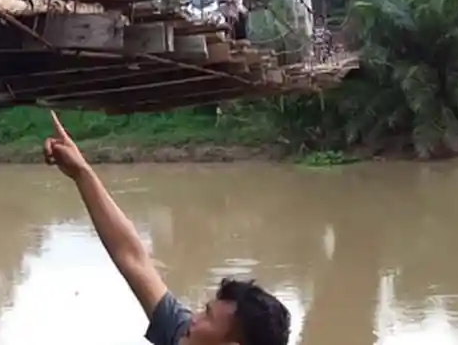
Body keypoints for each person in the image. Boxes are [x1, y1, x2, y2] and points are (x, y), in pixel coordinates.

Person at [43, 110, 290, 345]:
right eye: (205, 310)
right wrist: (82, 173)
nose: (194, 317)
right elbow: (132, 257)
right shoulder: (183, 334)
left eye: (208, 317)